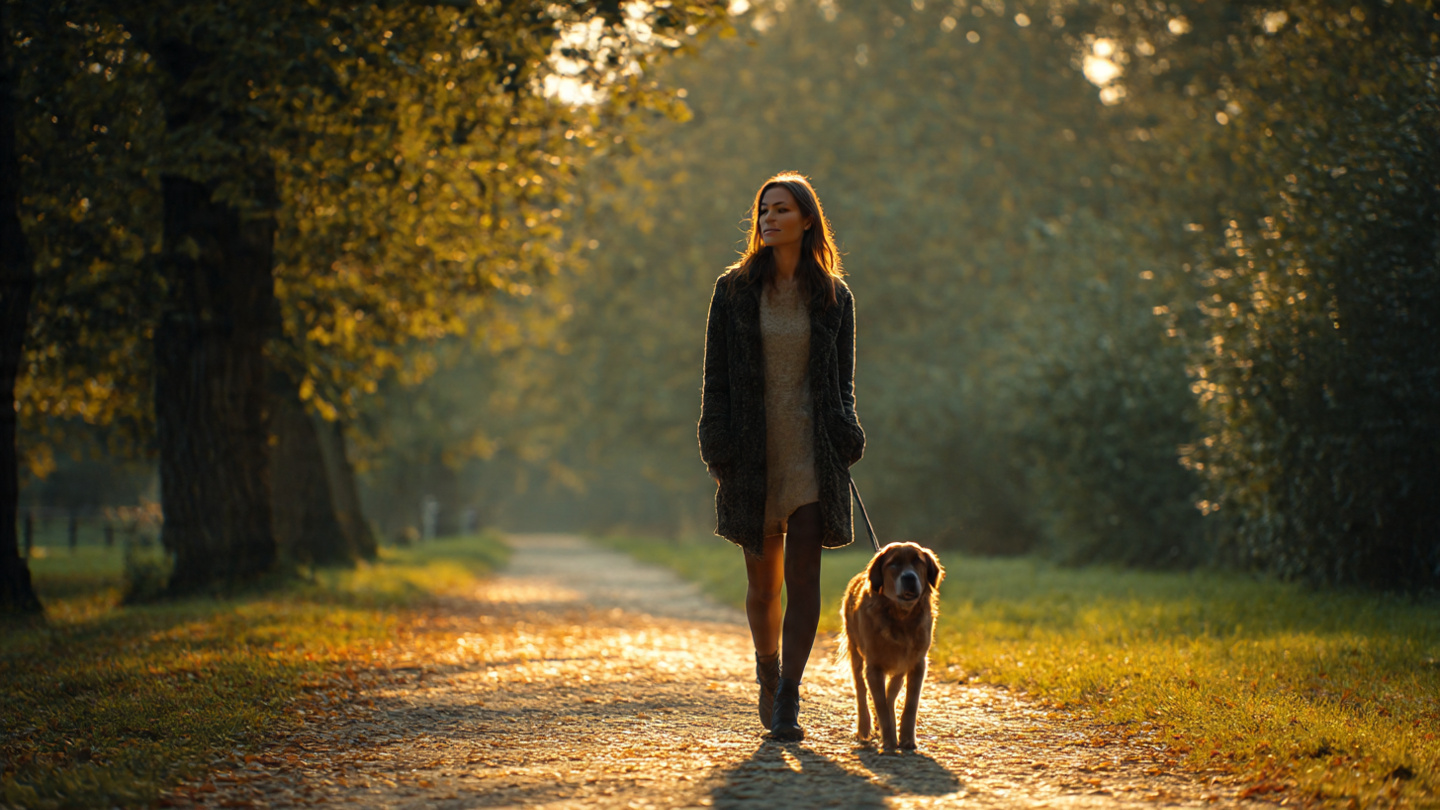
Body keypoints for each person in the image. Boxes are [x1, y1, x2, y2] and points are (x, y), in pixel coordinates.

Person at [698, 172, 865, 741]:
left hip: (811, 458)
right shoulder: (734, 290)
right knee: (764, 585)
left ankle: (790, 697)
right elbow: (715, 379)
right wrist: (716, 443)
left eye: (781, 209)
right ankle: (767, 668)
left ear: (806, 220)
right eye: (763, 210)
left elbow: (842, 385)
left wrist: (847, 432)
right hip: (752, 456)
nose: (768, 219)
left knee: (805, 580)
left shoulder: (834, 297)